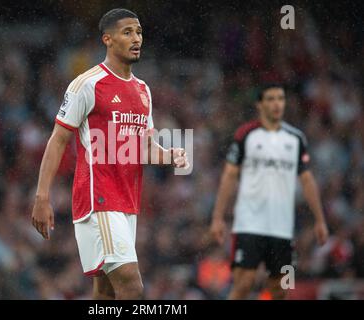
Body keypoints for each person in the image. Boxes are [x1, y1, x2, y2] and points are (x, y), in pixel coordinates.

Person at [31, 8, 189, 300]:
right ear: (107, 39)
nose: (136, 38)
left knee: (104, 292)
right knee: (132, 287)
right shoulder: (87, 84)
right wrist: (42, 196)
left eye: (139, 32)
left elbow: (144, 148)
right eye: (127, 32)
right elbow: (58, 139)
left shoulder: (143, 90)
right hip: (99, 199)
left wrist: (170, 155)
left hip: (128, 202)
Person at [210, 84, 329, 299]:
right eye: (271, 99)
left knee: (282, 289)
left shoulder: (296, 139)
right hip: (249, 224)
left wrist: (320, 220)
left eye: (280, 99)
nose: (277, 104)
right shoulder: (246, 135)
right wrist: (218, 217)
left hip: (283, 228)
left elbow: (307, 179)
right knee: (243, 284)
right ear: (260, 104)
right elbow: (229, 175)